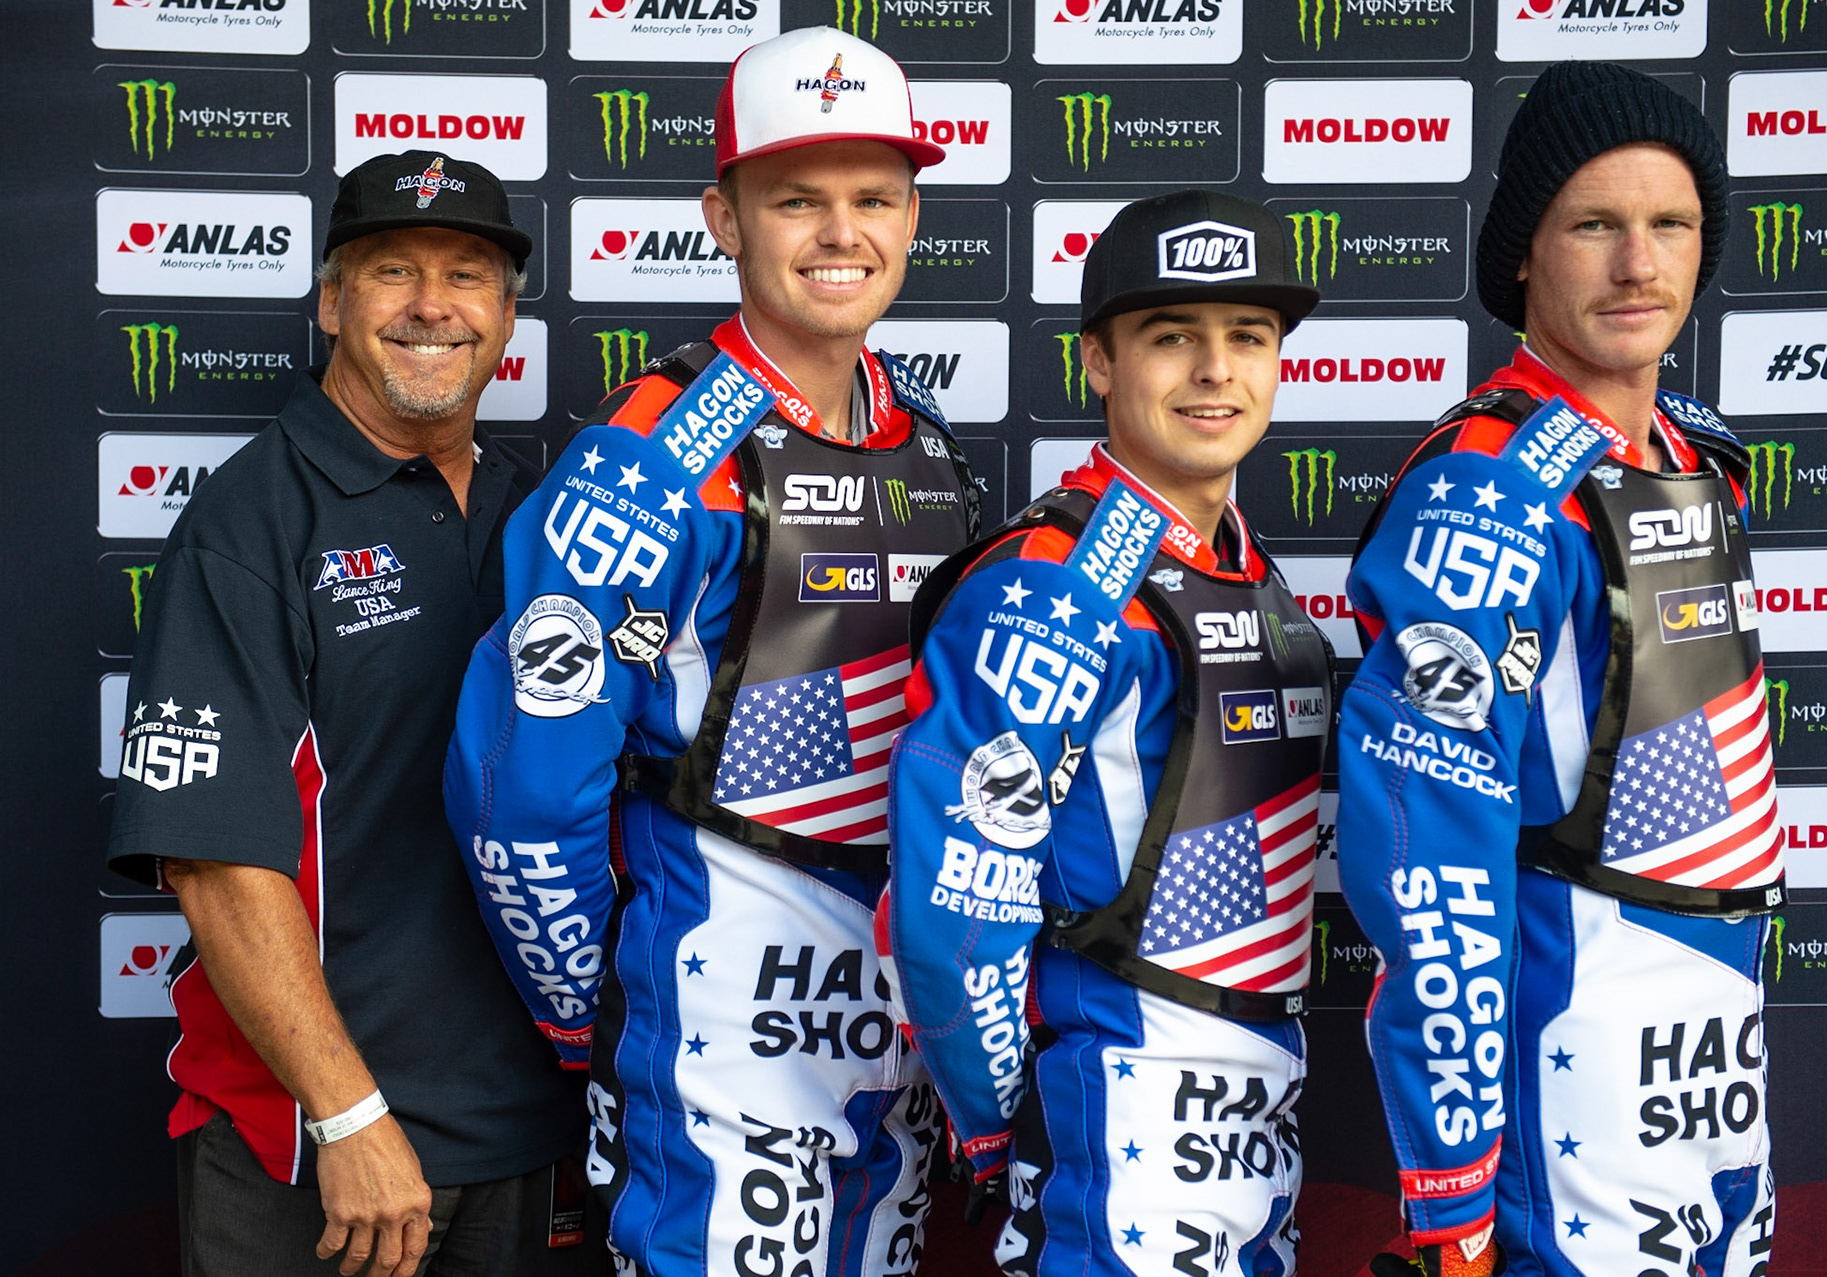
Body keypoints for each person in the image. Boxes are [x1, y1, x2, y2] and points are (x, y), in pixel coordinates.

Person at [442, 26, 977, 1277]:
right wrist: (600, 1016)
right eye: (797, 199)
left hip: (897, 1053)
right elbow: (521, 788)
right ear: (724, 219)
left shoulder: (927, 441)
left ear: (911, 217)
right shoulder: (654, 457)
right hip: (719, 1053)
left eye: (874, 198)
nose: (842, 233)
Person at [108, 152, 605, 1277]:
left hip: (529, 1134)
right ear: (333, 303)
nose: (432, 305)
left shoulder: (547, 520)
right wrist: (347, 1115)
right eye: (392, 270)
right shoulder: (250, 522)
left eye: (466, 275)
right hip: (314, 1147)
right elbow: (214, 861)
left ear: (506, 316)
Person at [1338, 62, 1783, 1277]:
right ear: (1525, 255)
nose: (1639, 264)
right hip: (1568, 1066)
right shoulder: (1487, 491)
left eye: (1670, 223)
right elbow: (1427, 863)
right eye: (1595, 224)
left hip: (1715, 1059)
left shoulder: (1695, 456)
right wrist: (1452, 1187)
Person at [881, 190, 1332, 1277]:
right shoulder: (1060, 585)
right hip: (1121, 1133)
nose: (1216, 370)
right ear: (1098, 360)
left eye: (1248, 336)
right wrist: (1010, 1130)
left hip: (1253, 1125)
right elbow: (953, 916)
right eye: (1173, 336)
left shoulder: (1246, 570)